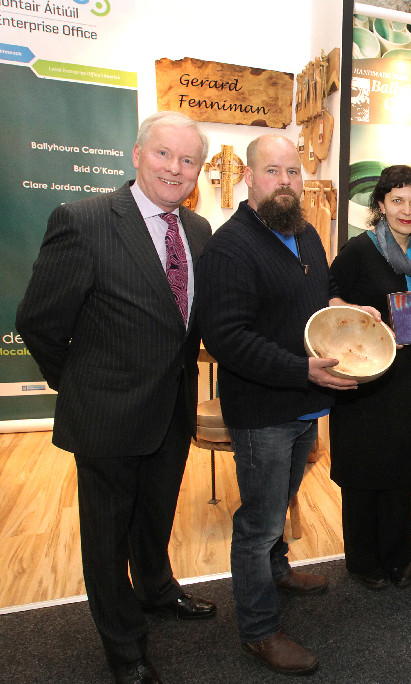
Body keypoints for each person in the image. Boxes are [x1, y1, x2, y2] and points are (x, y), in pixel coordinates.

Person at [16, 111, 216, 684]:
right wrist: (83, 386)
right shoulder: (83, 221)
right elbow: (39, 322)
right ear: (136, 154)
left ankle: (157, 589)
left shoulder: (198, 229)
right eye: (163, 154)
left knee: (156, 514)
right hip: (106, 415)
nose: (175, 169)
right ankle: (125, 647)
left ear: (199, 170)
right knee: (106, 538)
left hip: (171, 410)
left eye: (188, 160)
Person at [196, 134, 359, 675]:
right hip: (264, 410)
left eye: (293, 171)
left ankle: (278, 571)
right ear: (249, 176)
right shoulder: (231, 247)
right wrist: (300, 369)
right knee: (260, 523)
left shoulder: (305, 233)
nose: (285, 182)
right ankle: (259, 630)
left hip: (304, 405)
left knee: (283, 499)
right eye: (273, 171)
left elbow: (318, 295)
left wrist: (344, 309)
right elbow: (227, 338)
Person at [328, 165, 411, 590]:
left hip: (410, 378)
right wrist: (354, 312)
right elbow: (328, 296)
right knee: (363, 470)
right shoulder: (359, 250)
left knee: (401, 470)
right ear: (381, 204)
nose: (406, 210)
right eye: (397, 200)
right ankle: (363, 561)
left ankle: (398, 557)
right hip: (364, 379)